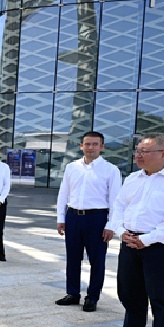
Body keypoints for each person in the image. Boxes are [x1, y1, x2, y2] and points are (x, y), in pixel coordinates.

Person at [101, 133, 164, 327]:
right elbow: (119, 207)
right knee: (130, 295)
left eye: (145, 151)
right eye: (138, 151)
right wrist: (122, 231)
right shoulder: (133, 178)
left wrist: (147, 239)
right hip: (130, 243)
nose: (139, 155)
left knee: (162, 301)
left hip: (160, 247)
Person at [54, 131, 122, 312]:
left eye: (95, 144)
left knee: (97, 261)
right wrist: (61, 218)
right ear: (81, 146)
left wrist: (111, 225)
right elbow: (63, 193)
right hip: (73, 216)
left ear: (102, 147)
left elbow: (116, 201)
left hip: (97, 219)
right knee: (72, 258)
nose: (90, 147)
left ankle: (92, 297)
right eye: (87, 144)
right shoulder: (72, 167)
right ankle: (72, 293)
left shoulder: (111, 170)